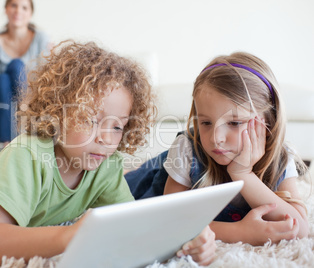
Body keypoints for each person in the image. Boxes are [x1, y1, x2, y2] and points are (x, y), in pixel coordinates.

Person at [0, 41, 216, 266]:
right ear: (57, 113)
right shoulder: (27, 156)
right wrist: (68, 237)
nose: (105, 139)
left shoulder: (106, 165)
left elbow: (132, 225)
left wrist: (187, 237)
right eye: (89, 120)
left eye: (117, 127)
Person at [125, 52, 310, 246]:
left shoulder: (281, 157)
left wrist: (243, 174)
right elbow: (170, 222)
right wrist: (240, 232)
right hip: (152, 180)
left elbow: (300, 228)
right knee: (124, 184)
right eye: (206, 122)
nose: (216, 138)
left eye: (234, 123)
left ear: (268, 122)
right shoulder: (188, 148)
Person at [0, 0, 50, 146]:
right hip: (5, 97)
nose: (18, 11)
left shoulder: (41, 37)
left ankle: (8, 142)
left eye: (24, 8)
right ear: (6, 9)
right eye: (13, 5)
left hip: (33, 93)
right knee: (3, 77)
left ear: (30, 14)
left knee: (12, 69)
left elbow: (46, 76)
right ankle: (26, 112)